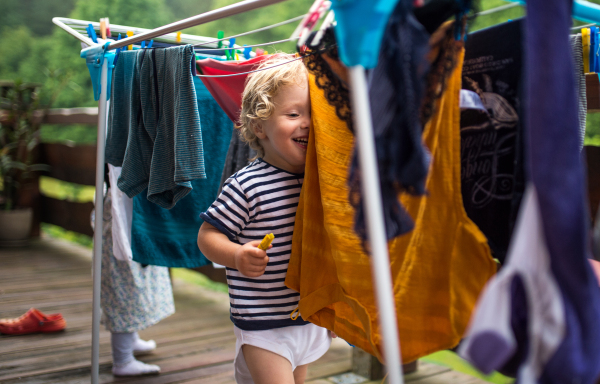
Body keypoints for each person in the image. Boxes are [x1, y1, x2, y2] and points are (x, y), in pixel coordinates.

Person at [197, 55, 331, 384]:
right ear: (259, 126)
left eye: (314, 113)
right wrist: (237, 255)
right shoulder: (247, 185)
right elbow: (207, 236)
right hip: (264, 324)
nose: (307, 123)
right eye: (294, 114)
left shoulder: (322, 178)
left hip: (307, 317)